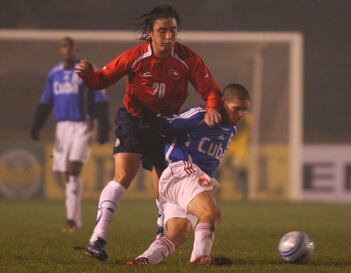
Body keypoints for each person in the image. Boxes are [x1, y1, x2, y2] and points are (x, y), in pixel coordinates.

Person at [75, 4, 222, 260]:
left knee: (163, 187)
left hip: (165, 127)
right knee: (124, 174)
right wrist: (89, 77)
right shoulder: (135, 56)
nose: (168, 36)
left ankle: (158, 235)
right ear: (150, 33)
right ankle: (97, 238)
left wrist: (211, 107)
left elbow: (209, 88)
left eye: (173, 30)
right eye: (162, 30)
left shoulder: (188, 59)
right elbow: (102, 79)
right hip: (133, 120)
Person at [125, 83, 250, 265]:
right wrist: (146, 139)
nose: (240, 114)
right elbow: (167, 125)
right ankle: (200, 258)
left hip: (195, 182)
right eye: (236, 108)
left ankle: (143, 260)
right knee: (210, 213)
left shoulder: (232, 128)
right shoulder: (200, 115)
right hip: (183, 171)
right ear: (223, 103)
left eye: (244, 110)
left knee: (179, 233)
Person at [30, 37, 110, 233]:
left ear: (76, 49)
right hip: (62, 128)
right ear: (60, 50)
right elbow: (46, 102)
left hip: (84, 125)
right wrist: (36, 126)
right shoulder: (54, 74)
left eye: (71, 46)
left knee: (73, 169)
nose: (68, 49)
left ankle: (72, 221)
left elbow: (101, 99)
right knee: (67, 173)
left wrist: (104, 127)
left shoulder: (85, 69)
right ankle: (74, 219)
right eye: (64, 46)